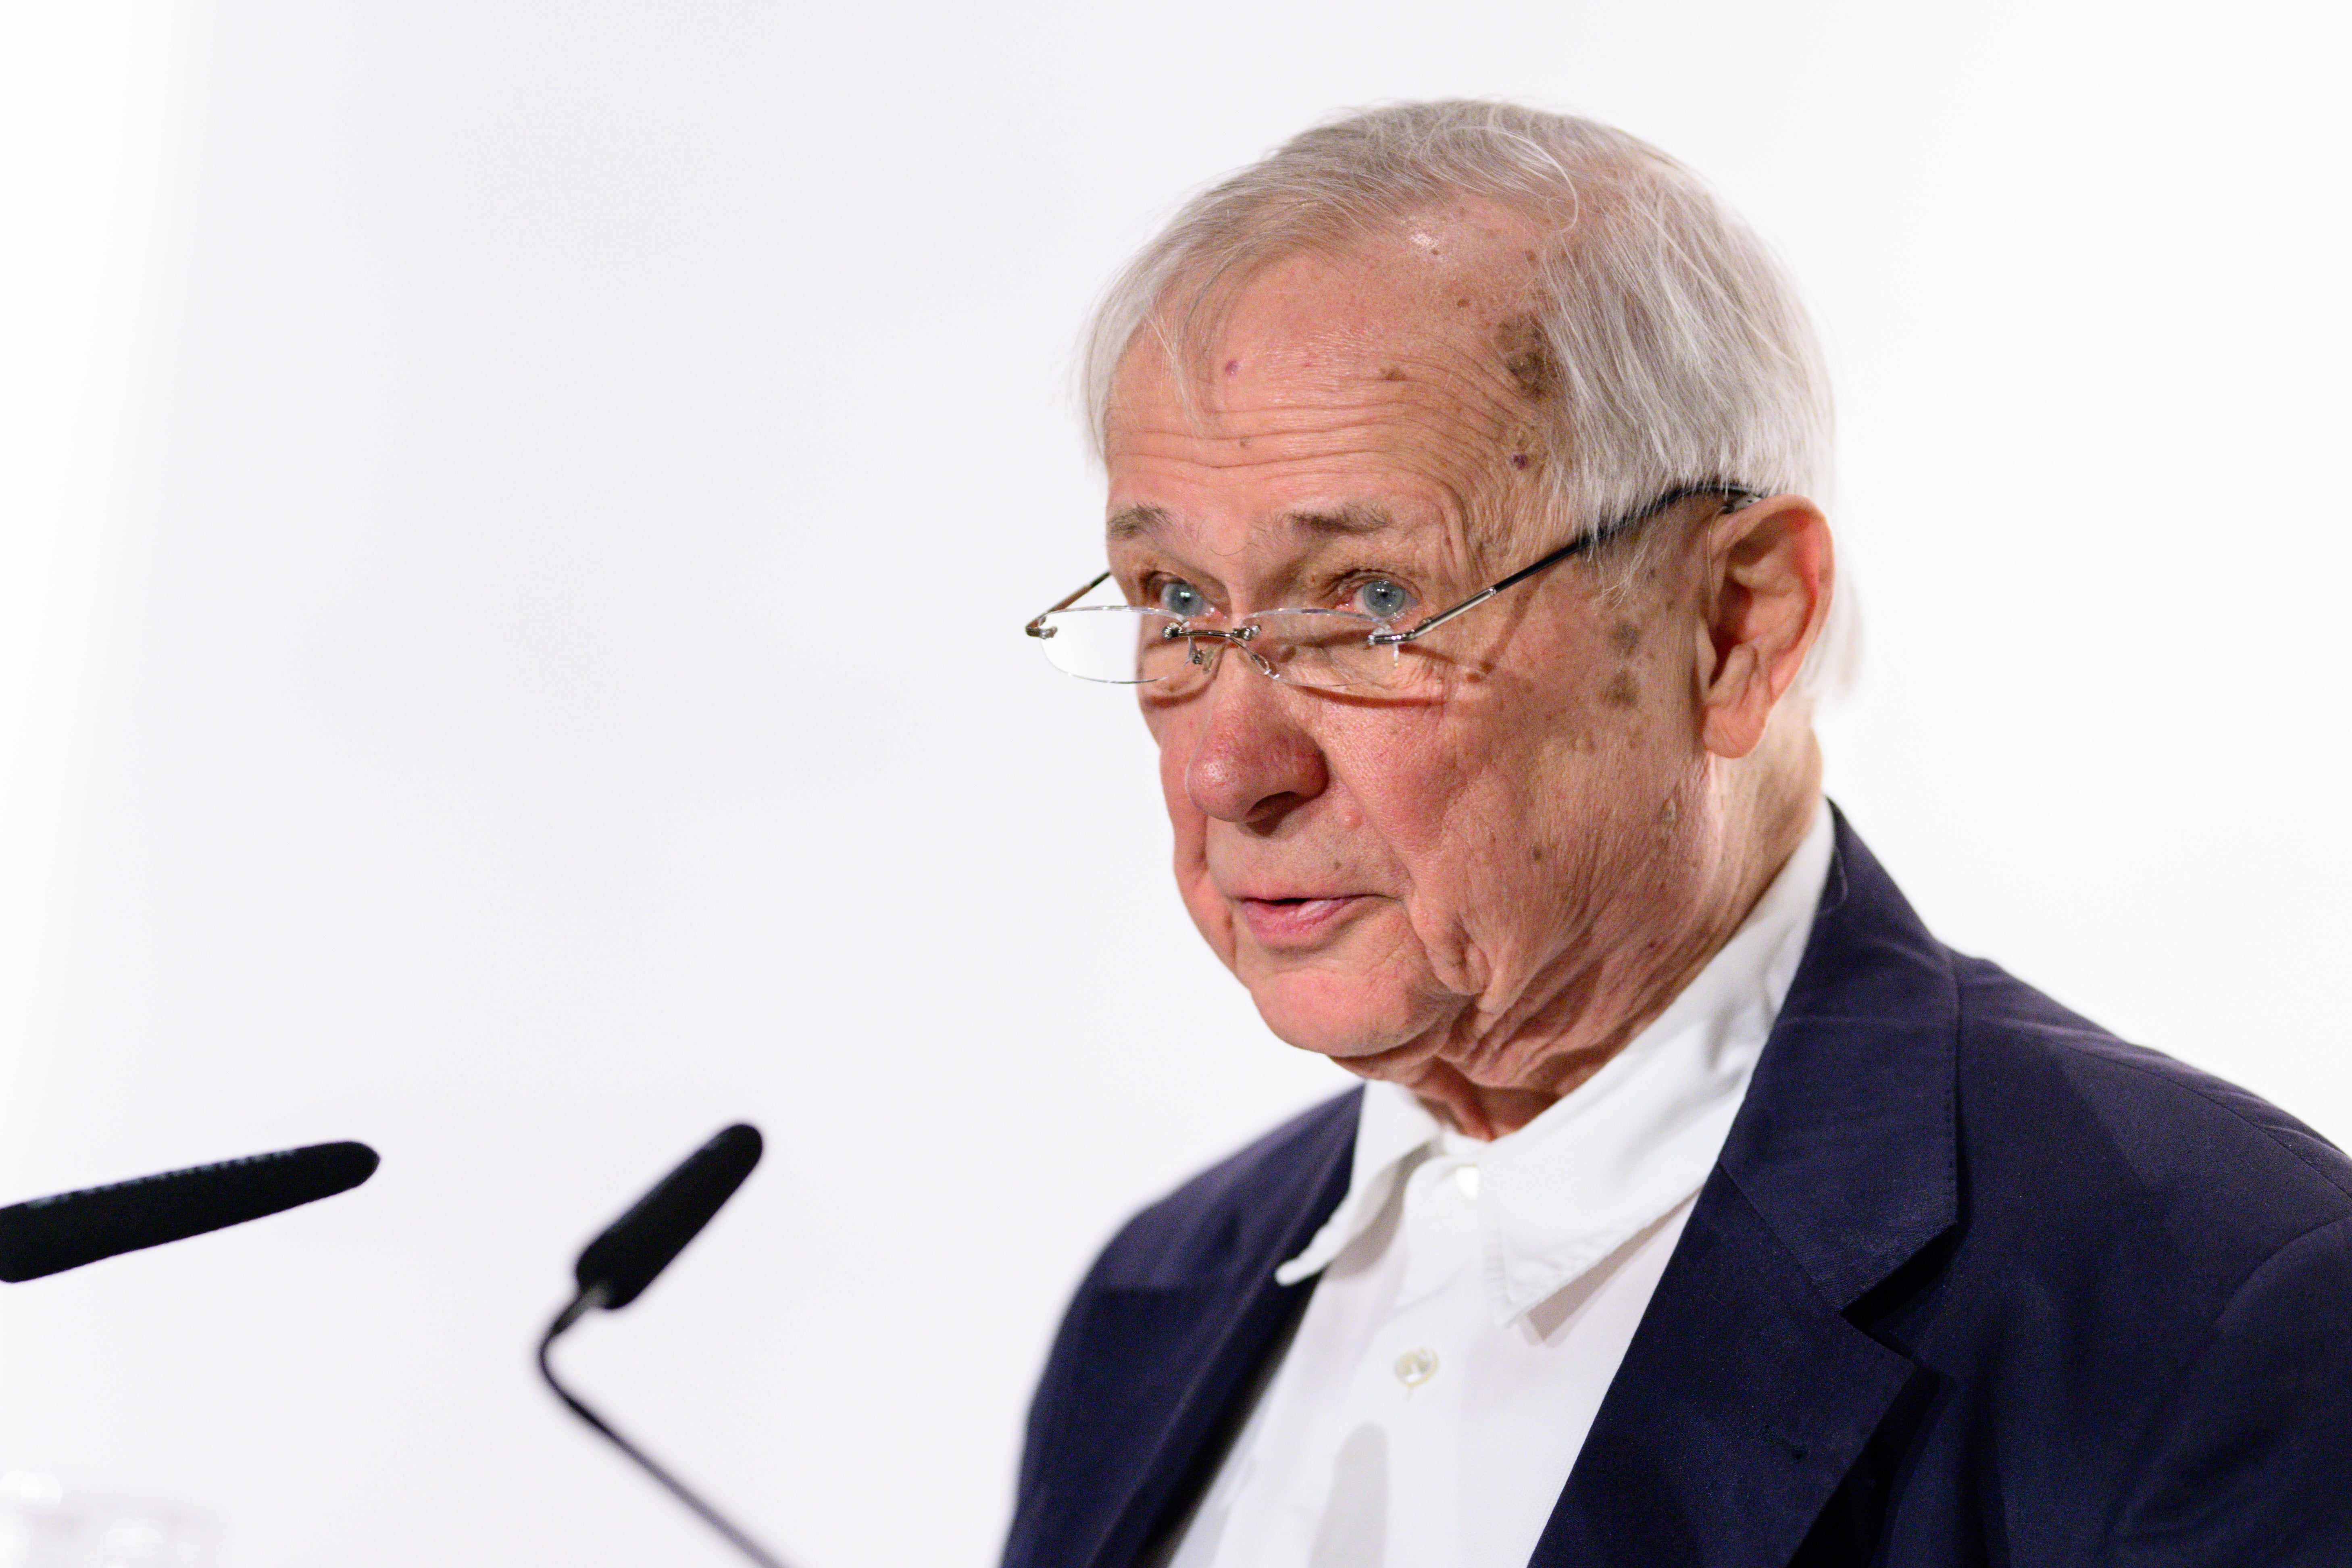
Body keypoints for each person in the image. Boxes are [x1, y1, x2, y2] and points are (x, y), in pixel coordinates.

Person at [1004, 101, 2352, 1568]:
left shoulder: (2214, 1315)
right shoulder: (1152, 1299)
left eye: (1371, 602)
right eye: (1175, 603)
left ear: (1732, 626)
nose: (1226, 768)